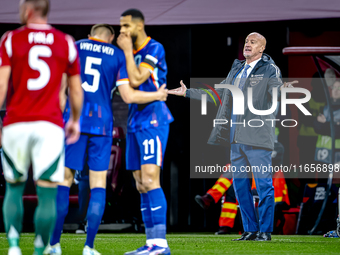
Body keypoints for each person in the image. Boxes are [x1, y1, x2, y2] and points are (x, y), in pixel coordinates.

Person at [46, 24, 168, 255]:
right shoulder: (118, 55)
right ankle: (89, 247)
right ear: (111, 37)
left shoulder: (75, 47)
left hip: (74, 120)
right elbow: (127, 95)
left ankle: (54, 245)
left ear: (91, 33)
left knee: (64, 180)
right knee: (98, 185)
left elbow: (61, 89)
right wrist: (158, 94)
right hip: (102, 124)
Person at [169, 32, 296, 241]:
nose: (248, 44)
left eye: (253, 42)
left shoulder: (269, 69)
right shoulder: (236, 69)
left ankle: (265, 231)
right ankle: (250, 230)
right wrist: (187, 93)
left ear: (262, 48)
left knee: (263, 186)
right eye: (246, 41)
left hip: (257, 138)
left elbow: (276, 91)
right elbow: (218, 94)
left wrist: (282, 90)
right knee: (240, 186)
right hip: (235, 139)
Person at [0, 0, 83, 254]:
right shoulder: (66, 41)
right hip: (49, 125)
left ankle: (14, 247)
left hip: (17, 123)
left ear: (28, 10)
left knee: (14, 186)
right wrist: (75, 120)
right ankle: (39, 249)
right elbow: (75, 90)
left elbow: (2, 86)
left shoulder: (11, 39)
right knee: (47, 192)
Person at [117, 9, 173, 255]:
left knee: (151, 178)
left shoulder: (155, 48)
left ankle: (161, 244)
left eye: (126, 26)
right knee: (140, 183)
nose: (122, 32)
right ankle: (151, 243)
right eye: (120, 27)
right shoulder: (127, 53)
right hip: (134, 119)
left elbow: (138, 78)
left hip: (153, 119)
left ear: (139, 26)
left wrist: (127, 52)